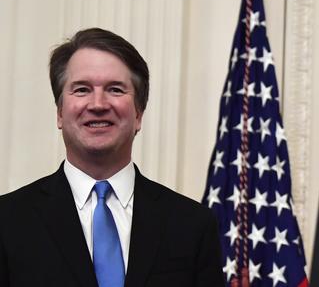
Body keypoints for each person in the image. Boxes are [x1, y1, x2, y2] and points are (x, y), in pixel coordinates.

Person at [0, 28, 225, 286]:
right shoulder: (8, 222)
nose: (98, 104)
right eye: (82, 89)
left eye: (115, 90)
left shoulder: (192, 225)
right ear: (60, 112)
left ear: (138, 114)